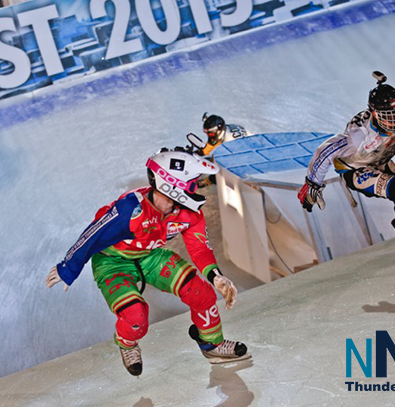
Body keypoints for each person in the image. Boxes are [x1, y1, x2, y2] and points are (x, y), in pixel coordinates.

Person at [45, 137, 250, 376]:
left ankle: (211, 344)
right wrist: (68, 268)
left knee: (202, 293)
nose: (197, 188)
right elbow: (94, 235)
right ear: (173, 186)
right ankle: (126, 342)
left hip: (150, 256)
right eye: (192, 184)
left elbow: (199, 248)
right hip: (113, 264)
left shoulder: (189, 214)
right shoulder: (129, 211)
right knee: (136, 317)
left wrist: (216, 277)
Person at [297, 71, 395, 264]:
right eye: (390, 115)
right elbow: (325, 151)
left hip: (381, 161)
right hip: (355, 169)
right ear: (374, 114)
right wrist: (312, 185)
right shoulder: (359, 134)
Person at [195, 113, 254, 187]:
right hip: (251, 148)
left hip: (248, 160)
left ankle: (208, 181)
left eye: (211, 134)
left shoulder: (231, 143)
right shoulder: (225, 130)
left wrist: (210, 179)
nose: (209, 136)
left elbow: (228, 169)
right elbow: (209, 147)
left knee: (224, 170)